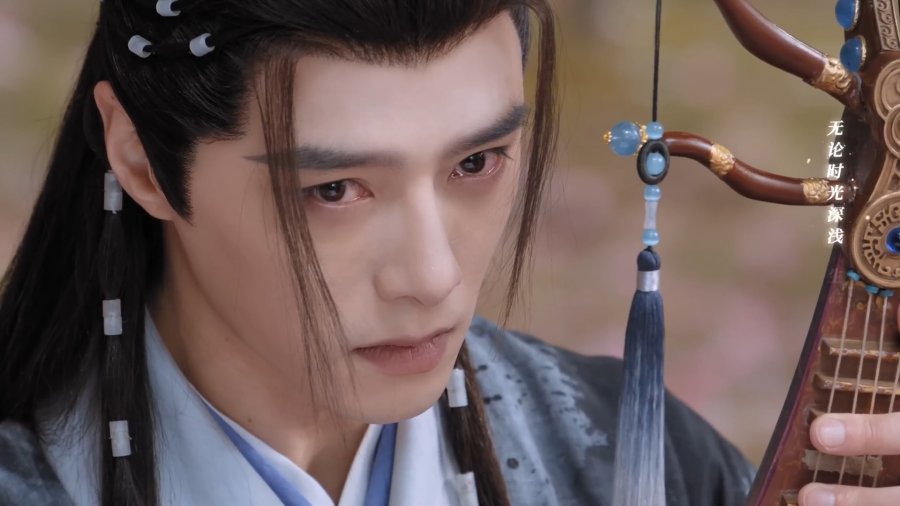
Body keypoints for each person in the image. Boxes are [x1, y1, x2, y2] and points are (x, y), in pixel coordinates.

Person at [0, 1, 879, 505]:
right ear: (140, 161)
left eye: (476, 163)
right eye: (334, 190)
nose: (433, 278)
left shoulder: (622, 457)